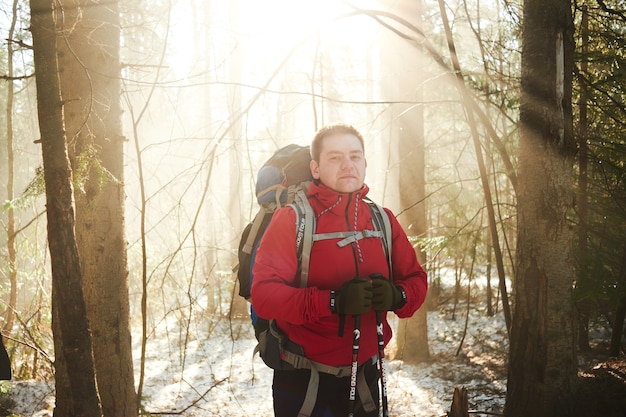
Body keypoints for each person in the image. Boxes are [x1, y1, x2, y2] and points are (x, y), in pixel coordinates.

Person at [251, 122, 428, 417]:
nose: (348, 165)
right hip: (303, 380)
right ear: (316, 168)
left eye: (355, 156)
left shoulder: (382, 219)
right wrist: (333, 301)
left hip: (368, 376)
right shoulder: (291, 220)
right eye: (335, 157)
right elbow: (264, 296)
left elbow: (416, 280)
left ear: (365, 163)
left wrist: (397, 296)